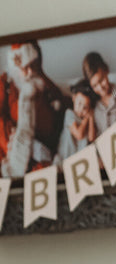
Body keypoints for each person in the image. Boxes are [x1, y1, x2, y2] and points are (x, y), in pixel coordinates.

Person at [1, 40, 67, 177]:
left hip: (42, 154)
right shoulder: (6, 85)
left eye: (33, 66)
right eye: (25, 67)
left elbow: (61, 112)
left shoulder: (44, 86)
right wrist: (9, 136)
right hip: (12, 150)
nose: (30, 72)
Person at [81, 52, 116, 134]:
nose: (100, 88)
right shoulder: (93, 103)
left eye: (101, 80)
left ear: (106, 70)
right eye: (95, 86)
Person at [54, 80, 95, 165]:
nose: (81, 110)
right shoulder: (70, 114)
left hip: (78, 162)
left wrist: (91, 117)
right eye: (79, 104)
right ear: (74, 98)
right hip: (64, 158)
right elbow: (79, 135)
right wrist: (86, 119)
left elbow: (91, 138)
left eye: (85, 107)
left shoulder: (86, 121)